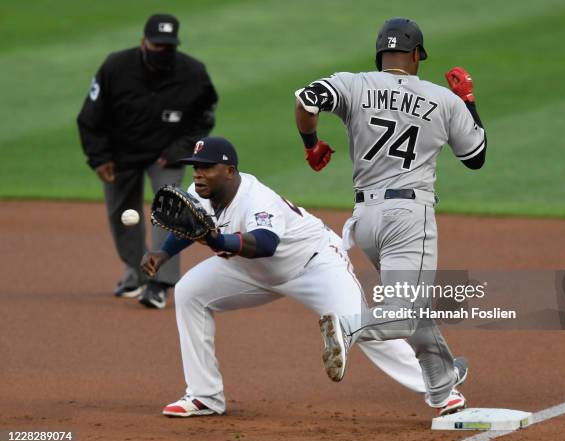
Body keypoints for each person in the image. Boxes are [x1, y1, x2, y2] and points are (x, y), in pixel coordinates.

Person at [140, 136, 427, 417]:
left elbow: (265, 243)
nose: (199, 175)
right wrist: (163, 254)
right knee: (190, 292)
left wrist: (218, 241)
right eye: (196, 168)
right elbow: (191, 224)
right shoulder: (200, 193)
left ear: (229, 171)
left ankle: (441, 386)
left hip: (315, 265)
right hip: (252, 271)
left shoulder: (256, 199)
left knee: (358, 325)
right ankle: (205, 396)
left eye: (207, 168)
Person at [294, 17, 484, 415]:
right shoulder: (441, 98)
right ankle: (347, 328)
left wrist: (311, 144)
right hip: (407, 217)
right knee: (405, 311)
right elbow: (475, 157)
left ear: (380, 53)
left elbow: (307, 101)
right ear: (417, 55)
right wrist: (467, 100)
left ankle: (441, 385)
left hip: (365, 220)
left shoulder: (353, 83)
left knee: (411, 303)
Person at [77, 14, 218, 309]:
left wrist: (180, 148)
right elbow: (90, 117)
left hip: (167, 154)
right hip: (121, 154)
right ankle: (137, 271)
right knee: (122, 214)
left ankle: (159, 282)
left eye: (168, 47)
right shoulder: (116, 67)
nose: (162, 52)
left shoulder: (193, 73)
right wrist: (99, 158)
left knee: (169, 208)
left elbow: (204, 118)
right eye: (156, 45)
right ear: (143, 43)